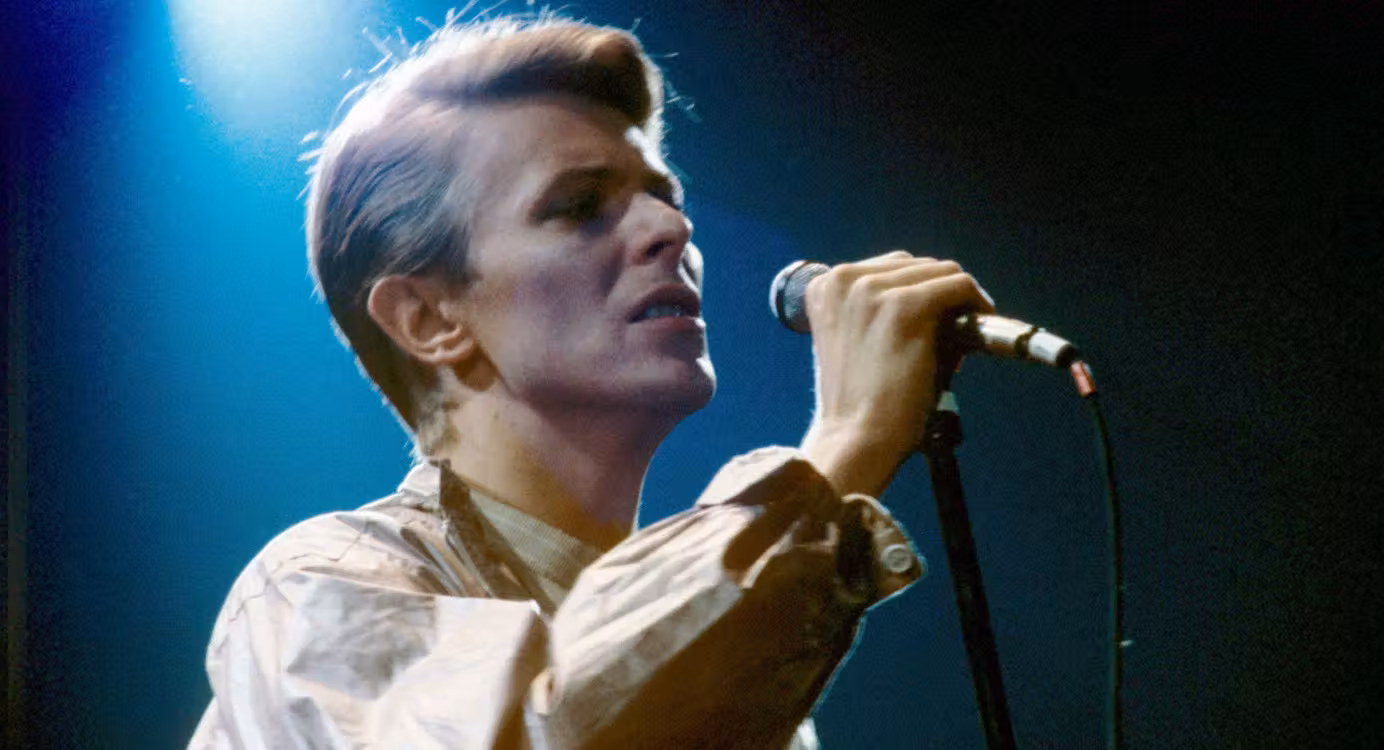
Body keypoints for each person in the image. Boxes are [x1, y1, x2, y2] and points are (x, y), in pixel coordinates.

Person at [188, 16, 994, 749]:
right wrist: (846, 441)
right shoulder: (312, 596)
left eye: (663, 197)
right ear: (429, 319)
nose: (671, 227)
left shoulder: (733, 674)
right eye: (578, 207)